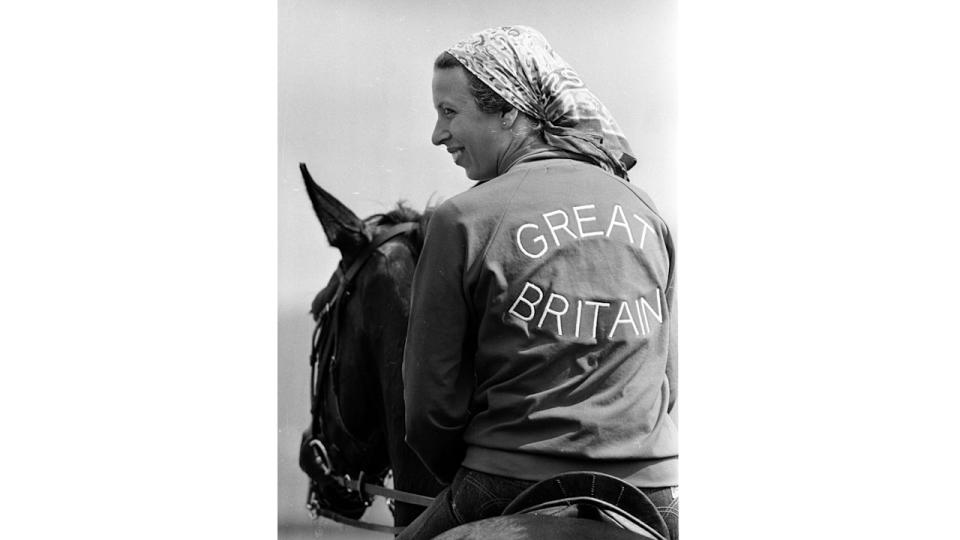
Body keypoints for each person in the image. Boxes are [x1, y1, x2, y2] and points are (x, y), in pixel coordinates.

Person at [400, 25, 678, 539]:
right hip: (653, 488)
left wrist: (465, 479)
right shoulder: (646, 212)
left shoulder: (463, 219)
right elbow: (668, 381)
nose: (438, 135)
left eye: (449, 112)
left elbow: (428, 408)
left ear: (509, 111)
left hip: (507, 478)